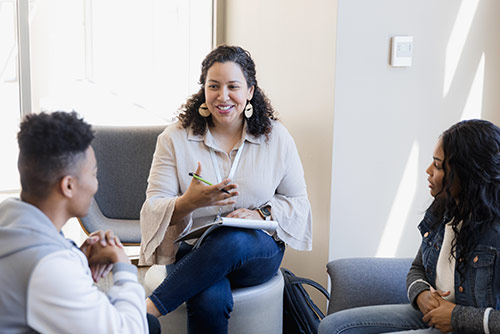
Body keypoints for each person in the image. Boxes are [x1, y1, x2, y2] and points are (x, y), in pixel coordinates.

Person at [140, 45, 312, 332]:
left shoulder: (276, 138)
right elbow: (153, 206)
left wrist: (261, 214)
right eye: (214, 86)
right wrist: (189, 203)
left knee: (232, 238)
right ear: (203, 90)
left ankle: (148, 311)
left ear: (250, 92)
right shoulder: (174, 138)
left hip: (255, 250)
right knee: (209, 298)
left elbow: (299, 202)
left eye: (233, 86)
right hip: (191, 250)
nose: (223, 96)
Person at [319, 119, 500, 334]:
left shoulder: (494, 231)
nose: (428, 170)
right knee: (332, 327)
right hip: (433, 316)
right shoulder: (443, 209)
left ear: (469, 174)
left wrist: (456, 318)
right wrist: (421, 294)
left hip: (469, 328)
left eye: (438, 165)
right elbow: (418, 268)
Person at [0, 111, 160, 333]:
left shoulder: (9, 217)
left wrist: (77, 259)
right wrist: (123, 265)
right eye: (93, 174)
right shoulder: (49, 267)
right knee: (148, 325)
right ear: (68, 186)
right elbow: (131, 330)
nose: (96, 185)